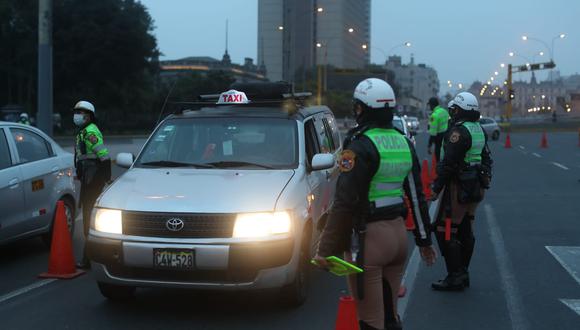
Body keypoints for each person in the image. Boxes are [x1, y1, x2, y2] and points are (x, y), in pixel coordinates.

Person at [313, 78, 436, 330]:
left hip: (368, 240)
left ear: (361, 108)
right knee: (391, 317)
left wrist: (325, 249)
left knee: (370, 320)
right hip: (398, 237)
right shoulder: (403, 141)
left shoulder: (359, 145)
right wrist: (424, 241)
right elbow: (416, 195)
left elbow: (344, 202)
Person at [430, 92, 493, 291]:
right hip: (475, 185)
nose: (452, 113)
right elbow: (487, 158)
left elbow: (448, 163)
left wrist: (436, 187)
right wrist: (485, 179)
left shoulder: (458, 132)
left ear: (460, 110)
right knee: (465, 227)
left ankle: (455, 275)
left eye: (454, 109)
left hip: (458, 187)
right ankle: (463, 272)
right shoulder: (478, 129)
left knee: (444, 229)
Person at [73, 101, 111, 269]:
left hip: (93, 179)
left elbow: (104, 156)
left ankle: (89, 258)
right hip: (88, 179)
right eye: (77, 112)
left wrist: (105, 178)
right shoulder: (82, 132)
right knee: (88, 217)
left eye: (81, 112)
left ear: (89, 116)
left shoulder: (90, 132)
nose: (78, 115)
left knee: (90, 218)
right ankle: (91, 256)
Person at [427, 97, 450, 162]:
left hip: (439, 139)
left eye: (429, 105)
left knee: (439, 157)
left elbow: (433, 133)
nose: (429, 107)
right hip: (448, 137)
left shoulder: (434, 115)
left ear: (432, 105)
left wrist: (429, 145)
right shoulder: (444, 111)